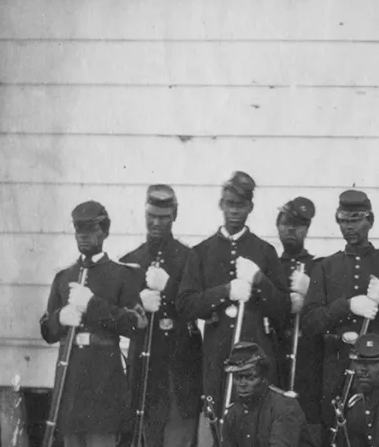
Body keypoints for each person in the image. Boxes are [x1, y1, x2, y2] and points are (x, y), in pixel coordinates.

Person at [302, 190, 379, 439]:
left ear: (370, 220)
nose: (349, 227)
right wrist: (346, 306)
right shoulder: (325, 267)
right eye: (343, 220)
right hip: (337, 369)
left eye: (355, 220)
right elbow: (309, 322)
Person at [178, 171, 292, 416]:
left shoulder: (265, 251)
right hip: (216, 353)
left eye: (240, 205)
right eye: (229, 204)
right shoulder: (201, 252)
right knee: (218, 418)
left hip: (255, 354)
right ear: (221, 204)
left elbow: (283, 310)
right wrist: (226, 291)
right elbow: (186, 304)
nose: (234, 211)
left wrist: (259, 279)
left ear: (250, 207)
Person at [39, 200, 146, 447]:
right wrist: (60, 317)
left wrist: (92, 304)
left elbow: (135, 325)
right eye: (78, 229)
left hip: (104, 383)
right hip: (70, 383)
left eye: (91, 230)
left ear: (105, 231)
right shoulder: (64, 277)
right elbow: (47, 331)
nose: (83, 236)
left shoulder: (122, 275)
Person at [121, 185, 204, 447]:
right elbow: (119, 316)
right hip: (146, 369)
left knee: (180, 436)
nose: (156, 223)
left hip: (180, 368)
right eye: (152, 216)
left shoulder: (189, 257)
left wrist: (168, 288)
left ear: (174, 216)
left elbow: (196, 306)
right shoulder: (130, 261)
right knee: (148, 435)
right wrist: (138, 303)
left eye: (164, 217)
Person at [271, 196, 327, 445]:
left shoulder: (319, 267)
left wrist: (310, 291)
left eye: (298, 225)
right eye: (285, 224)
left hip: (309, 362)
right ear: (278, 227)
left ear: (307, 228)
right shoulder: (270, 265)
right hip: (277, 357)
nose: (291, 230)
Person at [220, 342, 306, 447]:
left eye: (250, 377)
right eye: (237, 377)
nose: (242, 384)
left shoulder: (284, 406)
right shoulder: (233, 413)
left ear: (263, 378)